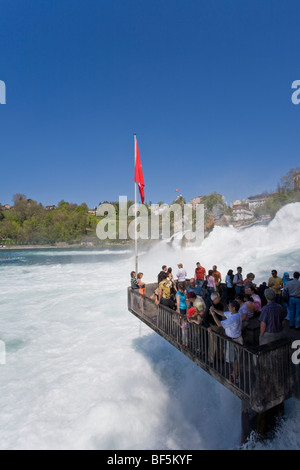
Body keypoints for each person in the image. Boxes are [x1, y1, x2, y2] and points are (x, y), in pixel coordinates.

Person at [211, 300, 243, 383]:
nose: (228, 307)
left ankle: (236, 376)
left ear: (234, 308)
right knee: (232, 358)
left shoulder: (234, 318)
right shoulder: (235, 314)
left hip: (235, 340)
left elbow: (219, 324)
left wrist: (213, 314)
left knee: (235, 360)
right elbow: (223, 313)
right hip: (232, 339)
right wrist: (215, 309)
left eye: (229, 306)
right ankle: (234, 373)